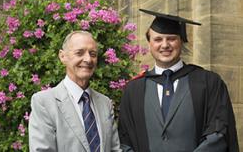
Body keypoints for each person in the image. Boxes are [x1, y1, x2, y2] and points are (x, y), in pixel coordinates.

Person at [118, 9, 239, 152]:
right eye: (158, 39)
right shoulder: (134, 89)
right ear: (149, 43)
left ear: (181, 41)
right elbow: (124, 139)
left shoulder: (208, 82)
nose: (164, 45)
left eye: (171, 38)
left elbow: (219, 132)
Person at [29, 31, 121, 152]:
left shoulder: (105, 103)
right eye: (79, 53)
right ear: (63, 56)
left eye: (93, 54)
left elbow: (114, 149)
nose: (88, 59)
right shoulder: (44, 102)